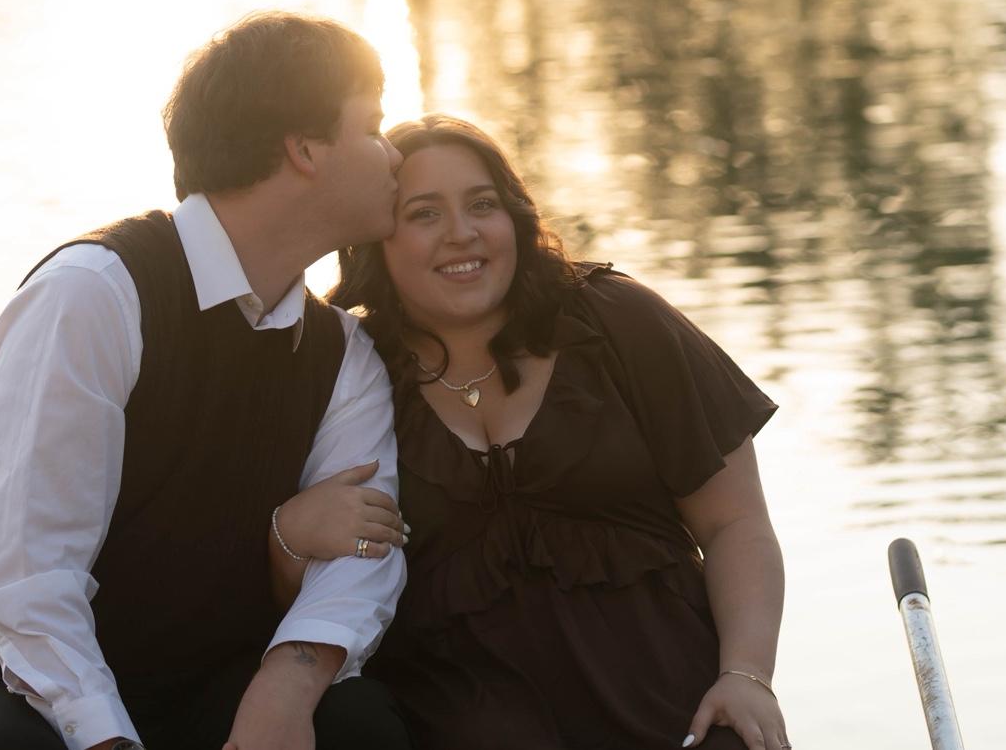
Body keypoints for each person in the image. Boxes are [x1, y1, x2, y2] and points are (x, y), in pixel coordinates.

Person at [0, 12, 415, 750]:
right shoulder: (91, 297)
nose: (393, 156)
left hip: (214, 692)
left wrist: (285, 686)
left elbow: (365, 553)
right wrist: (109, 741)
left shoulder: (342, 353)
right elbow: (29, 586)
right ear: (305, 149)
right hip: (34, 698)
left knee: (356, 724)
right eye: (372, 128)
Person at [274, 114, 789, 750]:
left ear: (514, 217)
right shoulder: (352, 376)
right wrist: (287, 535)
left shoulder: (616, 320)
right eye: (424, 213)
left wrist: (746, 677)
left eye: (482, 204)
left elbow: (735, 523)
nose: (462, 233)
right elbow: (318, 595)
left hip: (683, 721)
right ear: (378, 235)